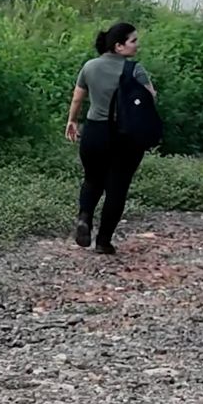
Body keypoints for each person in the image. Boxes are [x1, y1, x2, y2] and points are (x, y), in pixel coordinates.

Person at [64, 22, 156, 255]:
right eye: (133, 40)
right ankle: (103, 241)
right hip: (124, 137)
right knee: (117, 188)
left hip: (94, 132)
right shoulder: (135, 69)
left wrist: (72, 121)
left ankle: (84, 217)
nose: (137, 45)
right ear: (119, 46)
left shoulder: (90, 66)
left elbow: (77, 99)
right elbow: (150, 99)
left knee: (92, 179)